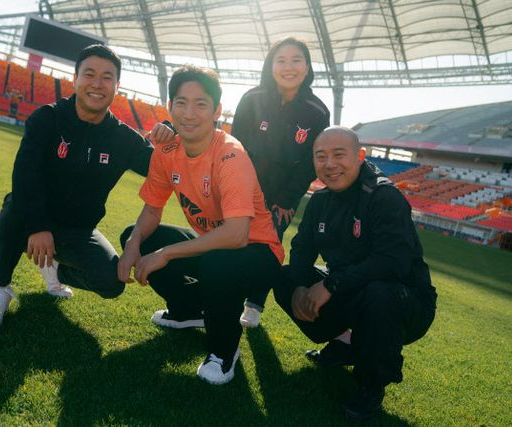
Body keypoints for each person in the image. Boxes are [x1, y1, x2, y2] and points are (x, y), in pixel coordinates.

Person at [0, 44, 174, 329]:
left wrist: (171, 135)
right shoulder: (47, 118)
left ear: (117, 86)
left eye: (106, 77)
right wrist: (38, 226)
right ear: (75, 78)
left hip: (78, 229)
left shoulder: (123, 139)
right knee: (14, 208)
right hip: (32, 217)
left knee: (111, 282)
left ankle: (55, 268)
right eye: (89, 74)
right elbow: (25, 175)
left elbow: (165, 168)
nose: (97, 84)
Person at [118, 65, 284, 385]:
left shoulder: (231, 155)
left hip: (259, 252)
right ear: (170, 107)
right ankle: (188, 311)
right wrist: (132, 245)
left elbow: (236, 235)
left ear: (217, 111)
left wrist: (166, 254)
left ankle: (224, 350)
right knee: (137, 237)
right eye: (181, 103)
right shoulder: (166, 151)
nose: (189, 113)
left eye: (200, 104)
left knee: (216, 262)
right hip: (216, 246)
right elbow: (152, 210)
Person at [273, 127, 437, 421]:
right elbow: (302, 249)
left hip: (403, 301)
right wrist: (298, 286)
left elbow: (391, 263)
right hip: (350, 290)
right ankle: (344, 344)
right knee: (285, 277)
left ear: (360, 156)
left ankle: (371, 385)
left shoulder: (384, 197)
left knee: (379, 294)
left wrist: (331, 284)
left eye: (339, 155)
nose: (330, 164)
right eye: (321, 156)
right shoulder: (320, 200)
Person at [231, 37, 330, 328]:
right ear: (271, 65)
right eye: (281, 60)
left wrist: (287, 198)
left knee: (267, 248)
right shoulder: (252, 98)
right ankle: (224, 294)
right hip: (242, 188)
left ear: (307, 67)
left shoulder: (317, 111)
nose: (289, 67)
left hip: (282, 197)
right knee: (232, 241)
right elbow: (234, 146)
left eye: (296, 60)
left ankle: (254, 303)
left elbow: (313, 160)